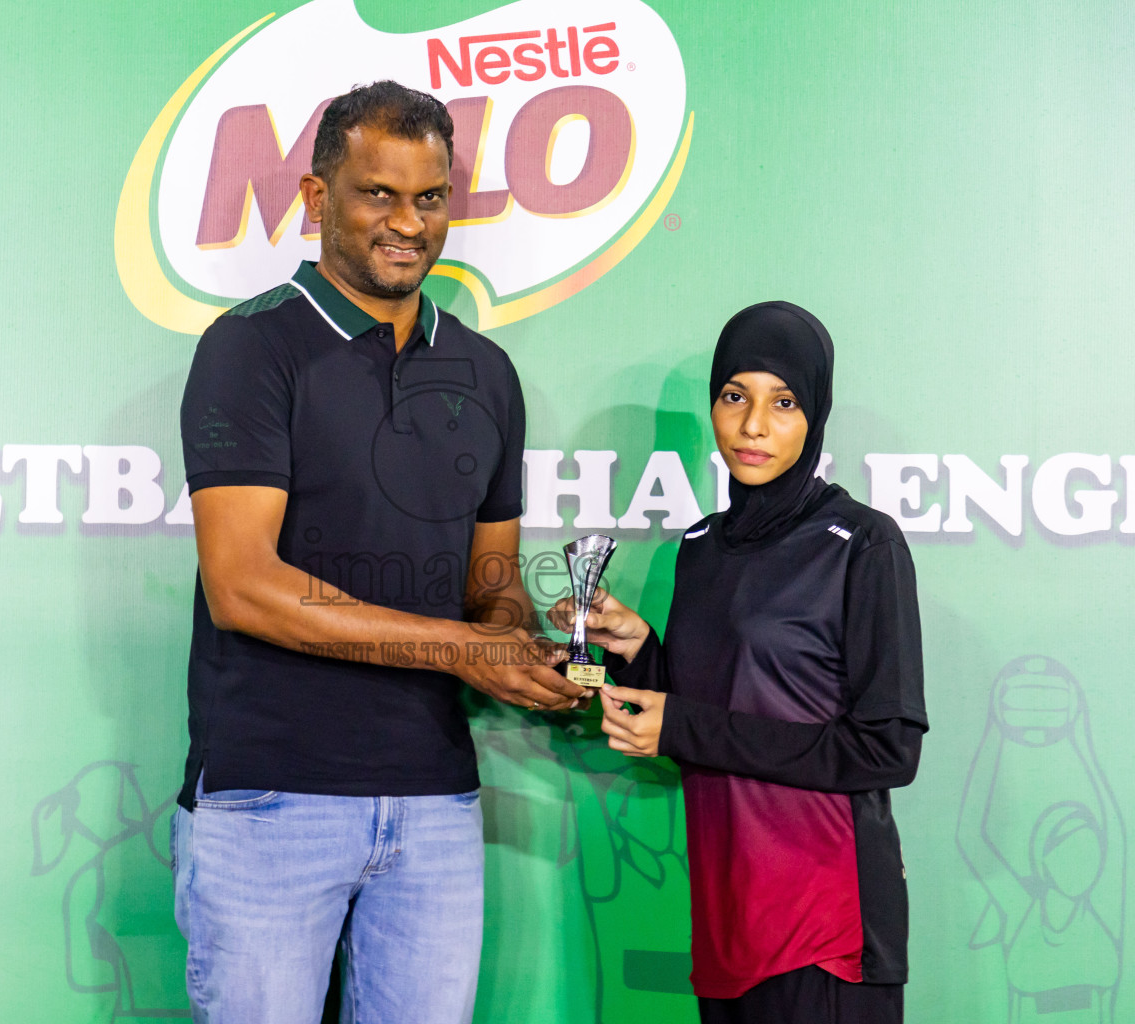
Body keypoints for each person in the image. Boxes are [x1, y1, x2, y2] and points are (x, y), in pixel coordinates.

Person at [174, 80, 586, 1024]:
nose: (408, 222)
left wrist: (525, 651)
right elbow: (244, 587)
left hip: (435, 803)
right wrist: (460, 650)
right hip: (270, 800)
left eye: (430, 197)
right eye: (378, 194)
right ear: (319, 200)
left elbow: (492, 587)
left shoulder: (485, 372)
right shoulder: (251, 349)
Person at [551, 301, 928, 1023]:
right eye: (735, 396)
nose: (754, 425)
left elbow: (887, 749)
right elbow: (707, 715)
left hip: (828, 930)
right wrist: (636, 650)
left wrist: (683, 727)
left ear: (814, 415)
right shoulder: (697, 548)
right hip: (728, 925)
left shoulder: (862, 544)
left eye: (783, 402)